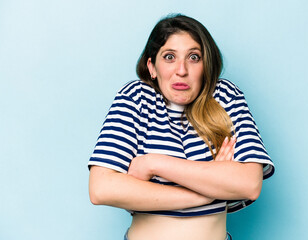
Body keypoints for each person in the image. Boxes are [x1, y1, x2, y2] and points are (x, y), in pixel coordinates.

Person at [88, 14, 274, 240]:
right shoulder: (135, 98)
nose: (182, 70)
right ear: (152, 67)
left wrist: (154, 163)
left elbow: (249, 184)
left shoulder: (226, 97)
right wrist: (206, 192)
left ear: (206, 66)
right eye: (169, 57)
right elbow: (101, 189)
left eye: (194, 57)